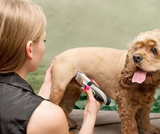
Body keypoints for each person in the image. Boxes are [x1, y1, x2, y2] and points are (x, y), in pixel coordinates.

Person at [0, 0, 102, 134]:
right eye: (44, 40)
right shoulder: (50, 117)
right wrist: (90, 115)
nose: (44, 46)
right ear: (30, 49)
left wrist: (46, 87)